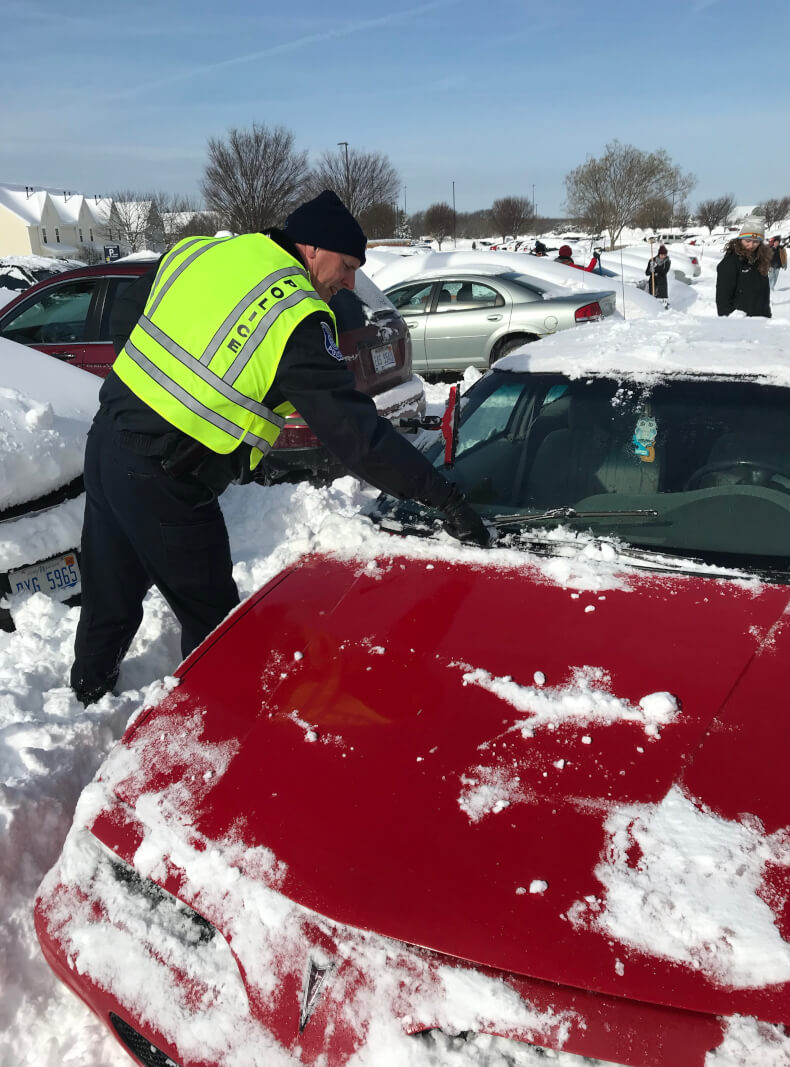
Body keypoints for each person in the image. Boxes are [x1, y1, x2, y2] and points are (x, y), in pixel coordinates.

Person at [70, 190, 488, 706]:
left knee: (109, 589)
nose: (350, 281)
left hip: (107, 441)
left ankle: (87, 693)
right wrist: (444, 498)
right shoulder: (296, 313)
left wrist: (150, 392)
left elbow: (129, 311)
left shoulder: (203, 251)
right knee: (216, 621)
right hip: (166, 475)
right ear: (311, 249)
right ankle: (216, 727)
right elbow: (358, 437)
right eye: (348, 265)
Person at [715, 217, 772, 318]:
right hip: (739, 322)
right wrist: (728, 320)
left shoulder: (761, 261)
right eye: (747, 240)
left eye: (756, 241)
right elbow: (723, 298)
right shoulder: (730, 262)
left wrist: (767, 316)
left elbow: (763, 295)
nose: (751, 245)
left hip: (760, 320)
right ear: (740, 239)